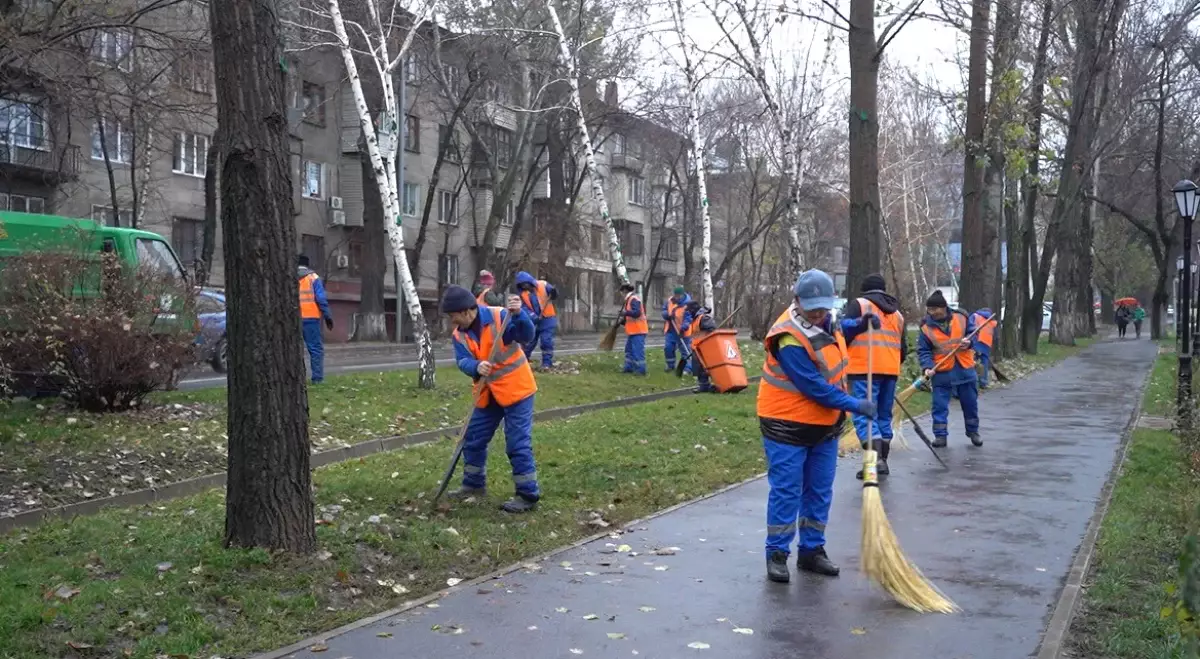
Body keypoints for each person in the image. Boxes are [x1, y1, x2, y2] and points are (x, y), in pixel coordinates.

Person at [758, 269, 877, 583]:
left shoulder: (827, 319)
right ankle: (777, 554)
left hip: (824, 426)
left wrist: (861, 325)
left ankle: (811, 551)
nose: (819, 314)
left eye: (824, 307)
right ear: (797, 301)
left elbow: (837, 332)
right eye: (813, 308)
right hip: (787, 426)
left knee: (820, 491)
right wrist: (856, 404)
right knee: (787, 492)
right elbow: (814, 387)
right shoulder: (788, 338)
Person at [443, 285, 541, 513]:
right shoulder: (460, 334)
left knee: (517, 443)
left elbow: (526, 335)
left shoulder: (501, 318)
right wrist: (476, 366)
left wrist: (520, 315)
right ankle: (473, 485)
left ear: (467, 311)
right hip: (488, 393)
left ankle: (527, 495)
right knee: (473, 438)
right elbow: (462, 361)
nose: (452, 321)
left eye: (453, 315)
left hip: (517, 390)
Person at [842, 273, 904, 478]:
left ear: (865, 289)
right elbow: (902, 348)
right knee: (884, 416)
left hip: (864, 368)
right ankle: (882, 462)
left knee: (864, 415)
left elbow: (843, 331)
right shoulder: (898, 315)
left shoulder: (859, 304)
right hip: (890, 370)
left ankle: (872, 464)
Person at [918, 290, 981, 448]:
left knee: (970, 403)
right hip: (941, 371)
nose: (932, 313)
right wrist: (927, 366)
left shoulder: (962, 317)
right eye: (929, 310)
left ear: (944, 307)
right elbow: (924, 350)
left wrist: (969, 342)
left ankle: (973, 431)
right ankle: (940, 436)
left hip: (964, 367)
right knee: (939, 406)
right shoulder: (926, 327)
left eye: (934, 309)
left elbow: (974, 334)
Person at [298, 255, 334, 384]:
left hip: (292, 319)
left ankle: (294, 379)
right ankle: (317, 379)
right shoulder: (313, 277)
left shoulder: (287, 277)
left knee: (292, 349)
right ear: (307, 265)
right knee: (315, 349)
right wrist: (328, 316)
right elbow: (320, 299)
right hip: (310, 318)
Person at [515, 271, 557, 369]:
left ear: (530, 281)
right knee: (529, 341)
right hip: (534, 320)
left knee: (546, 341)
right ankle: (523, 362)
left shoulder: (543, 285)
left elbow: (553, 293)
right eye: (522, 285)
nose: (525, 286)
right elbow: (524, 308)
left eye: (526, 283)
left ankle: (547, 363)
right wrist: (534, 317)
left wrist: (554, 293)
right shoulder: (523, 294)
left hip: (548, 318)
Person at [685, 300, 718, 393]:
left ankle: (715, 384)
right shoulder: (696, 319)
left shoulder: (703, 318)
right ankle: (704, 386)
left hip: (704, 346)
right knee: (699, 368)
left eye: (689, 310)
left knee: (705, 367)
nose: (688, 312)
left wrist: (702, 339)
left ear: (693, 309)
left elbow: (712, 329)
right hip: (697, 347)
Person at [662, 286, 694, 373]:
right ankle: (670, 365)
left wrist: (683, 328)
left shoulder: (688, 304)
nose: (676, 297)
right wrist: (666, 315)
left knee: (685, 349)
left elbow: (688, 318)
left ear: (682, 294)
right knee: (668, 348)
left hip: (683, 331)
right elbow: (664, 309)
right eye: (675, 295)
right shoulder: (670, 301)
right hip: (671, 329)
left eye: (678, 295)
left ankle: (688, 368)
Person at [619, 282, 648, 375]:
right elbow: (630, 316)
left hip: (638, 330)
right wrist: (623, 321)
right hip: (633, 331)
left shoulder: (633, 299)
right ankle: (629, 367)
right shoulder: (629, 300)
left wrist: (625, 313)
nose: (621, 295)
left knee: (637, 351)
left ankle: (640, 370)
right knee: (629, 350)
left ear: (624, 291)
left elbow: (637, 313)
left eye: (621, 293)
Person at [971, 307, 996, 389]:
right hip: (986, 344)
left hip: (975, 342)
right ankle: (983, 383)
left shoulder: (975, 316)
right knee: (984, 363)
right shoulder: (991, 321)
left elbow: (969, 328)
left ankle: (973, 383)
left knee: (971, 362)